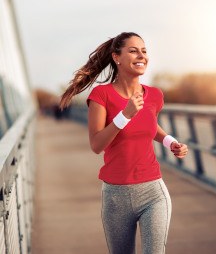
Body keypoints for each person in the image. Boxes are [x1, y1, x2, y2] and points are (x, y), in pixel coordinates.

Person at [60, 32, 188, 254]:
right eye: (133, 50)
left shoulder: (155, 95)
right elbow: (96, 144)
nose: (141, 55)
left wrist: (170, 142)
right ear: (116, 57)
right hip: (115, 197)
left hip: (153, 192)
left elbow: (149, 126)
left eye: (144, 50)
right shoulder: (101, 95)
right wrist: (124, 115)